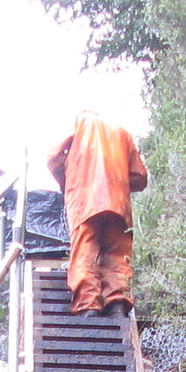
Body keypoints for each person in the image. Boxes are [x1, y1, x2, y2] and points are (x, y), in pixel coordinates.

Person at [47, 113, 149, 313]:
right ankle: (117, 304)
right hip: (118, 204)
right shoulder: (123, 133)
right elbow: (140, 176)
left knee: (86, 250)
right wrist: (119, 183)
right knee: (117, 254)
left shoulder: (79, 124)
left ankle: (89, 306)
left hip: (85, 200)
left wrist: (67, 180)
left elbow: (53, 158)